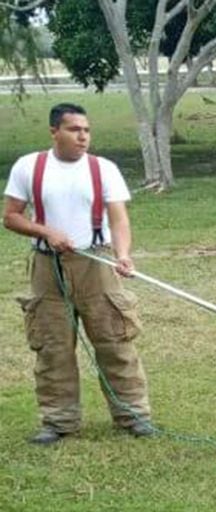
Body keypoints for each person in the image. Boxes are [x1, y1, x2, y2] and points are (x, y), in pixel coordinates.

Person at [3, 103, 153, 445]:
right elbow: (11, 217)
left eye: (86, 130)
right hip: (47, 266)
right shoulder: (30, 167)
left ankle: (133, 416)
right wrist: (45, 232)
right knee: (53, 346)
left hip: (95, 263)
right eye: (74, 130)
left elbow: (119, 219)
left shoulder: (104, 169)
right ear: (54, 131)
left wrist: (123, 254)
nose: (83, 136)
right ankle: (58, 421)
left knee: (115, 340)